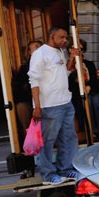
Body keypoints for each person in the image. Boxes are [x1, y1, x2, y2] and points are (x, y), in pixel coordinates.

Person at [27, 27, 80, 185]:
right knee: (48, 141)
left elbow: (64, 73)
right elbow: (33, 80)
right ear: (52, 37)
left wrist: (71, 58)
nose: (65, 40)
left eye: (66, 37)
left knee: (68, 138)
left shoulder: (60, 51)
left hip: (65, 102)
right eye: (61, 37)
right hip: (49, 105)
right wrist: (37, 107)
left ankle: (65, 168)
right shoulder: (40, 53)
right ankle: (47, 174)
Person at [68, 39, 99, 133]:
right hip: (75, 93)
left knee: (93, 99)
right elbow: (68, 84)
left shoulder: (89, 64)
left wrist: (89, 87)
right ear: (70, 50)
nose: (78, 51)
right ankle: (90, 131)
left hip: (89, 91)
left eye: (81, 49)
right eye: (75, 49)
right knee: (84, 100)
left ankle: (97, 129)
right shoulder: (68, 65)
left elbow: (94, 81)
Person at [12, 40, 43, 145]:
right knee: (22, 107)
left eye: (40, 46)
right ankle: (30, 142)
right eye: (35, 47)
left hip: (46, 98)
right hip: (28, 99)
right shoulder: (24, 68)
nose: (38, 49)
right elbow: (19, 87)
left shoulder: (47, 64)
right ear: (29, 52)